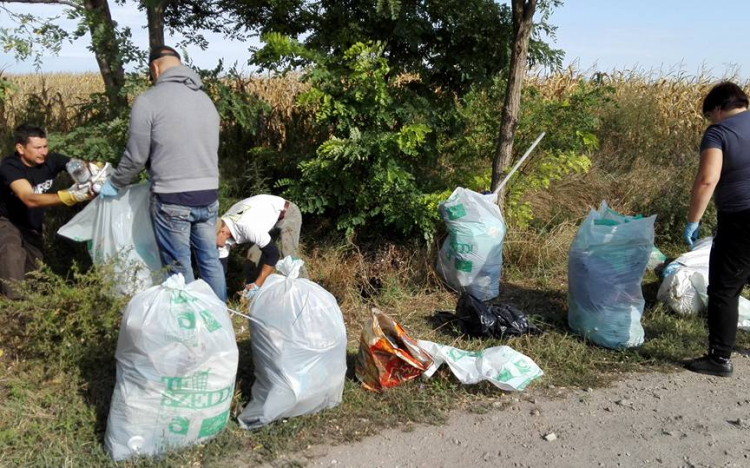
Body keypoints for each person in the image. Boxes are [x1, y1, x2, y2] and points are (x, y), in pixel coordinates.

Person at [98, 46, 226, 301]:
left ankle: (190, 327)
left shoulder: (149, 100)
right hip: (209, 196)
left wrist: (115, 183)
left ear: (155, 68)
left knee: (179, 268)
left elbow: (136, 156)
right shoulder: (205, 99)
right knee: (210, 260)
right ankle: (218, 320)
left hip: (172, 199)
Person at [683, 81, 750, 377]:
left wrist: (693, 220)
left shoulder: (720, 132)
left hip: (741, 219)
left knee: (724, 288)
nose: (710, 120)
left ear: (720, 109)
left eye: (710, 114)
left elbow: (707, 179)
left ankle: (719, 358)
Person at [0, 124, 94, 299]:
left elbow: (74, 164)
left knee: (34, 272)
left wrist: (91, 171)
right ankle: (14, 309)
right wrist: (69, 196)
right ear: (20, 148)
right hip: (6, 220)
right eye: (37, 148)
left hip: (32, 226)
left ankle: (31, 309)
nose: (43, 152)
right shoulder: (10, 166)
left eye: (45, 146)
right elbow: (28, 198)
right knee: (11, 253)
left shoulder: (51, 159)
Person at [215, 194, 306, 298]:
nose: (209, 244)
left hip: (286, 213)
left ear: (222, 232)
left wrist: (257, 284)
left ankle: (305, 293)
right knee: (252, 257)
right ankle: (253, 296)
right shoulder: (223, 228)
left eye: (210, 239)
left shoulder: (246, 226)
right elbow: (220, 269)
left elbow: (273, 254)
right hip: (263, 220)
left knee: (288, 255)